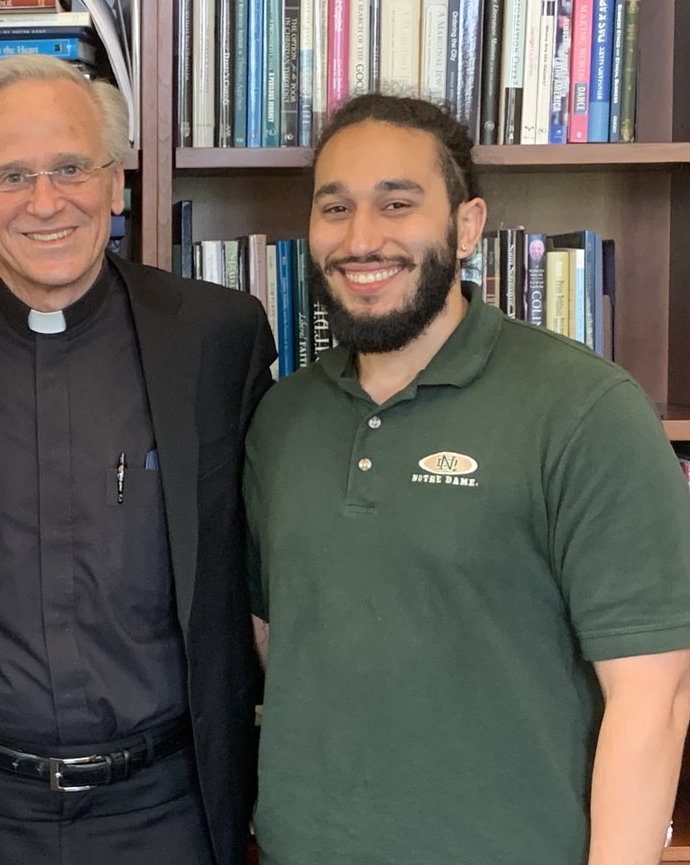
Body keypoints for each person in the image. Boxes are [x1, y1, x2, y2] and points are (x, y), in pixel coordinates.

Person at [243, 93, 690, 864]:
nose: (362, 237)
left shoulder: (585, 410)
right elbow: (280, 639)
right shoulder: (282, 419)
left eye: (398, 203)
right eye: (336, 207)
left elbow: (654, 700)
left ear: (468, 225)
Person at [0, 54, 277, 865]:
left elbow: (266, 550)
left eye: (71, 168)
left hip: (170, 806)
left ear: (115, 183)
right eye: (11, 176)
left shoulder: (218, 336)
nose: (45, 203)